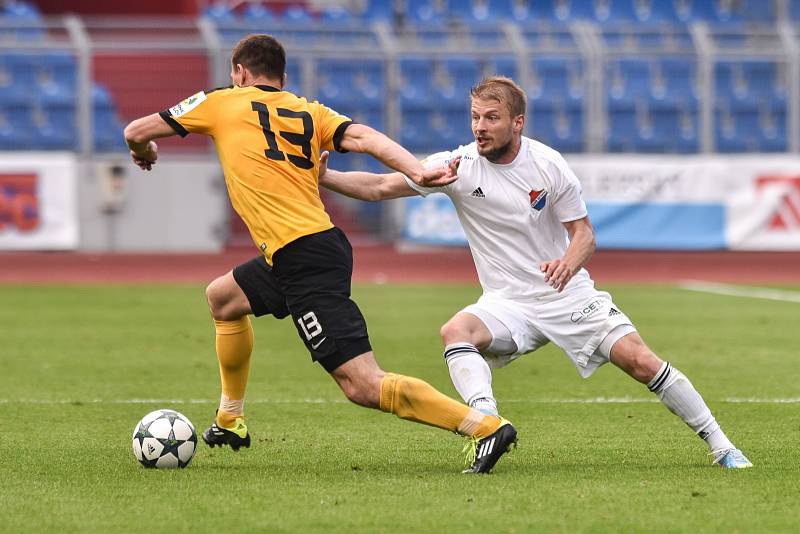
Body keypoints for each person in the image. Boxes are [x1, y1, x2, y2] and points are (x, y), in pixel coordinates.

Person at [122, 35, 518, 474]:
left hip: (304, 258)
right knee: (223, 298)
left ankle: (484, 426)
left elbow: (135, 131)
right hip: (305, 248)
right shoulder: (311, 111)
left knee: (362, 384)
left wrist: (145, 152)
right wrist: (417, 169)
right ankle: (230, 419)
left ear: (239, 73)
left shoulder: (222, 101)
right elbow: (365, 136)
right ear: (283, 78)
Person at [319, 75, 753, 469]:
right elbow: (379, 187)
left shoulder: (548, 165)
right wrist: (326, 177)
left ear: (518, 122)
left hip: (566, 295)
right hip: (507, 302)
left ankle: (722, 446)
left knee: (641, 362)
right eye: (475, 117)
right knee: (456, 331)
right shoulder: (458, 166)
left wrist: (568, 262)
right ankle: (486, 426)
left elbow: (584, 234)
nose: (480, 127)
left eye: (492, 117)